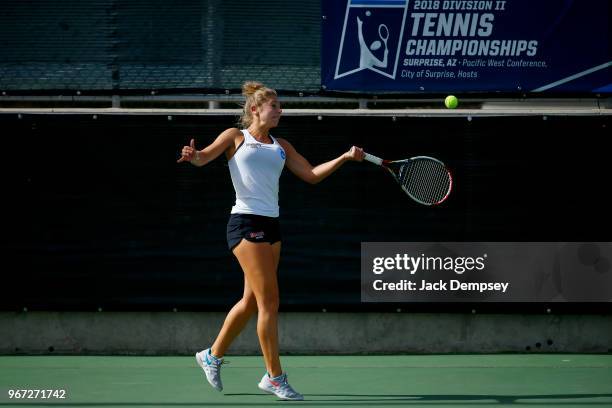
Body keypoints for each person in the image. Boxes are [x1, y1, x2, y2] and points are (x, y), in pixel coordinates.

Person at [177, 81, 364, 401]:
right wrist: (193, 155)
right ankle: (275, 377)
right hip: (245, 224)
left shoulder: (283, 146)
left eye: (280, 106)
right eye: (274, 106)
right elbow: (203, 158)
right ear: (255, 109)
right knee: (270, 302)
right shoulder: (235, 137)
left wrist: (344, 158)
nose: (280, 111)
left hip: (271, 225)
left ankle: (212, 355)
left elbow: (312, 175)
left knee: (252, 301)